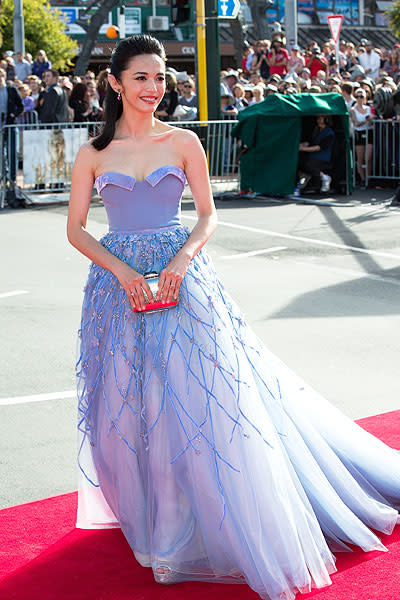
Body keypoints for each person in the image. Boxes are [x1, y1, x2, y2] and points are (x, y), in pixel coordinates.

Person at [67, 33, 400, 600]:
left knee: (202, 400)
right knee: (130, 402)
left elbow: (206, 217)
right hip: (118, 289)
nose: (154, 87)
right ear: (117, 84)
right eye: (142, 77)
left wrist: (179, 261)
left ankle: (185, 530)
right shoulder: (94, 153)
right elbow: (75, 228)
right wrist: (122, 273)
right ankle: (152, 525)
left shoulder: (186, 142)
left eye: (161, 76)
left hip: (183, 278)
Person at [298, 115, 335, 192]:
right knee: (299, 161)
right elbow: (310, 142)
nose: (318, 120)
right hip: (312, 156)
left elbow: (318, 147)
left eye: (320, 118)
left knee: (308, 164)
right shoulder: (316, 130)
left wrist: (304, 149)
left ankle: (325, 178)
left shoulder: (329, 133)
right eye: (318, 118)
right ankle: (304, 178)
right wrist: (301, 145)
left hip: (323, 158)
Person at [350, 87, 373, 188]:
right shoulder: (353, 110)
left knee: (368, 157)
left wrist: (369, 120)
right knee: (360, 158)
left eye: (361, 96)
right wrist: (365, 121)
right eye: (357, 96)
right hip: (359, 133)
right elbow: (356, 123)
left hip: (369, 132)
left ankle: (369, 178)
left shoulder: (369, 109)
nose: (359, 98)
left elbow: (373, 120)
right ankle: (363, 179)